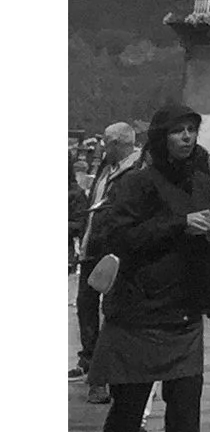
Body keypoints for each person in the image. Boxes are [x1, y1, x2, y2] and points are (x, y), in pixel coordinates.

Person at [83, 105, 210, 432]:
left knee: (186, 404)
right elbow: (118, 235)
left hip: (183, 308)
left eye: (192, 130)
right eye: (178, 131)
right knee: (129, 407)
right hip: (140, 309)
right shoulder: (138, 183)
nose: (186, 137)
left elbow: (203, 230)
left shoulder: (201, 182)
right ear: (161, 137)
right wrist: (179, 224)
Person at [71, 121, 144, 393]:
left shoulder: (135, 170)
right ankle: (89, 358)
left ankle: (106, 370)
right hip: (92, 246)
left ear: (118, 144)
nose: (101, 146)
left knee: (112, 309)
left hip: (113, 249)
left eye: (105, 142)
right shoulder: (106, 166)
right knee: (85, 303)